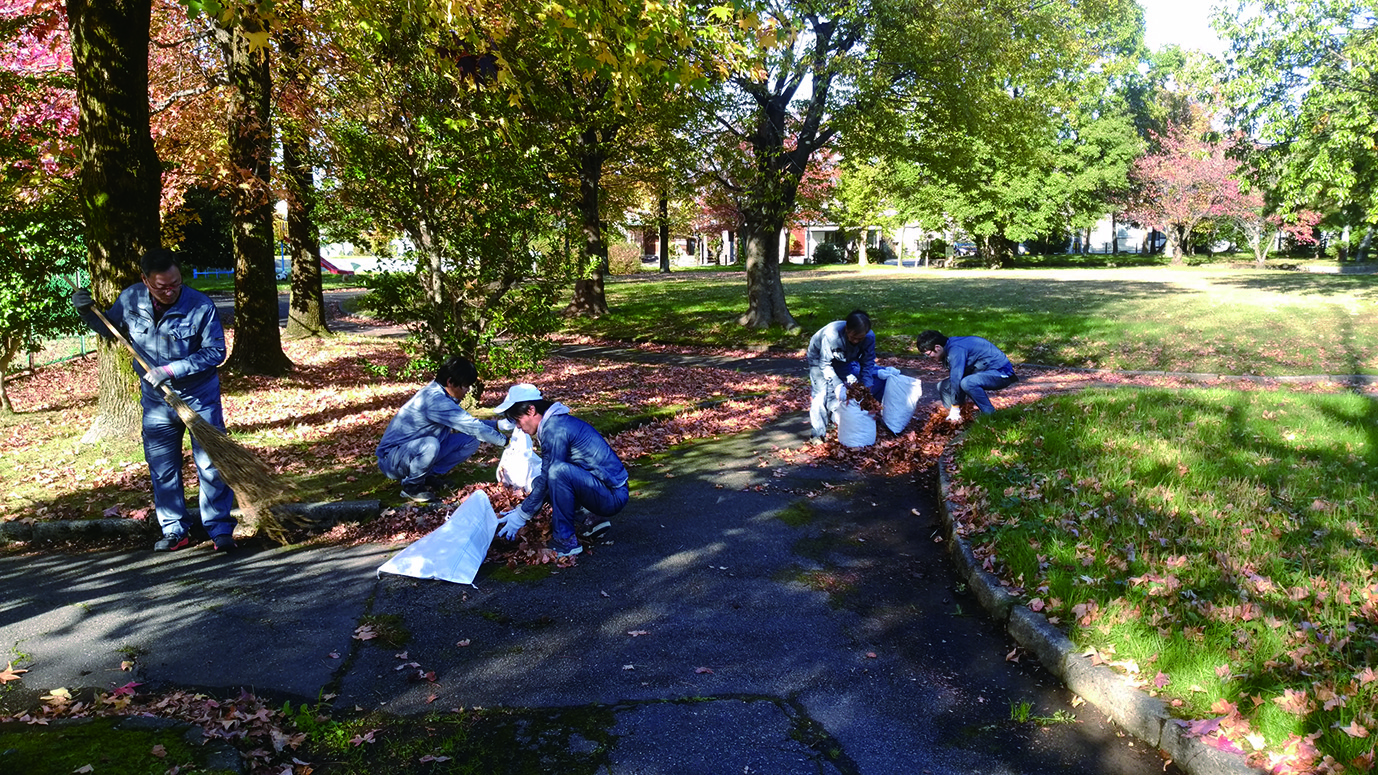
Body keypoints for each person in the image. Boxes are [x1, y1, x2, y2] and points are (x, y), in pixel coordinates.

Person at [70, 249, 238, 552]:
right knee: (162, 467)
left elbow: (215, 352)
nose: (170, 290)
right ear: (145, 281)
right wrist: (86, 312)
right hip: (157, 402)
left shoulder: (200, 305)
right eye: (162, 286)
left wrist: (172, 369)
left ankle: (219, 528)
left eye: (175, 283)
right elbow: (111, 329)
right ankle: (175, 530)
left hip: (198, 398)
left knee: (211, 464)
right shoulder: (131, 299)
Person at [491, 383, 628, 558]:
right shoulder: (554, 423)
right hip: (602, 488)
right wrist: (522, 510)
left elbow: (551, 474)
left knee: (556, 472)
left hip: (613, 496)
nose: (518, 427)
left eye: (517, 420)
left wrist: (522, 514)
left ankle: (565, 541)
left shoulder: (555, 429)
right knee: (540, 481)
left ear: (531, 410)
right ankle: (591, 519)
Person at [376, 356, 508, 503]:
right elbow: (471, 426)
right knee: (430, 445)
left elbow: (468, 424)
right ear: (450, 382)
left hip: (413, 451)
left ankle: (426, 476)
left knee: (470, 440)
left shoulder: (443, 394)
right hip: (392, 459)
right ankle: (412, 487)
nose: (468, 390)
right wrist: (505, 442)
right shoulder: (435, 400)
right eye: (465, 386)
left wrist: (498, 425)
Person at [804, 310, 879, 442]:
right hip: (819, 358)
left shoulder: (869, 337)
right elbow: (825, 364)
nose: (856, 341)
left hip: (844, 359)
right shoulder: (831, 335)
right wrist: (837, 383)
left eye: (859, 339)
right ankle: (817, 434)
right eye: (853, 337)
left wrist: (866, 388)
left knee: (843, 392)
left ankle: (834, 420)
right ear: (846, 329)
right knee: (821, 393)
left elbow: (867, 363)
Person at [915, 329, 1017, 420]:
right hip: (983, 372)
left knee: (967, 383)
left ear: (937, 347)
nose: (928, 357)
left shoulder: (956, 350)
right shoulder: (949, 347)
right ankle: (957, 418)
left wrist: (955, 406)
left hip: (1001, 373)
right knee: (943, 386)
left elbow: (956, 378)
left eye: (928, 354)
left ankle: (990, 416)